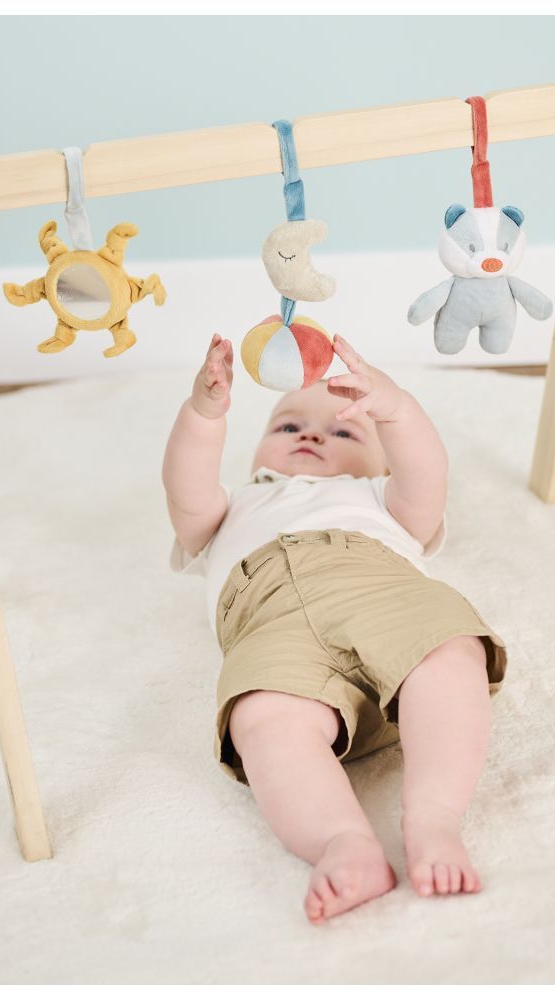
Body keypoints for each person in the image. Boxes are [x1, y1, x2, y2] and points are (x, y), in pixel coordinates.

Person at [163, 331, 507, 924]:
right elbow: (185, 488)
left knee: (449, 650)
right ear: (255, 453)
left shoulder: (380, 498)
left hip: (378, 590)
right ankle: (341, 843)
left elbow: (426, 471)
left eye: (346, 430)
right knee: (261, 716)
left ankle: (434, 816)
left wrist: (394, 408)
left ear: (377, 463)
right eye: (287, 425)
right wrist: (203, 414)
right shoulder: (234, 507)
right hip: (272, 623)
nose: (312, 433)